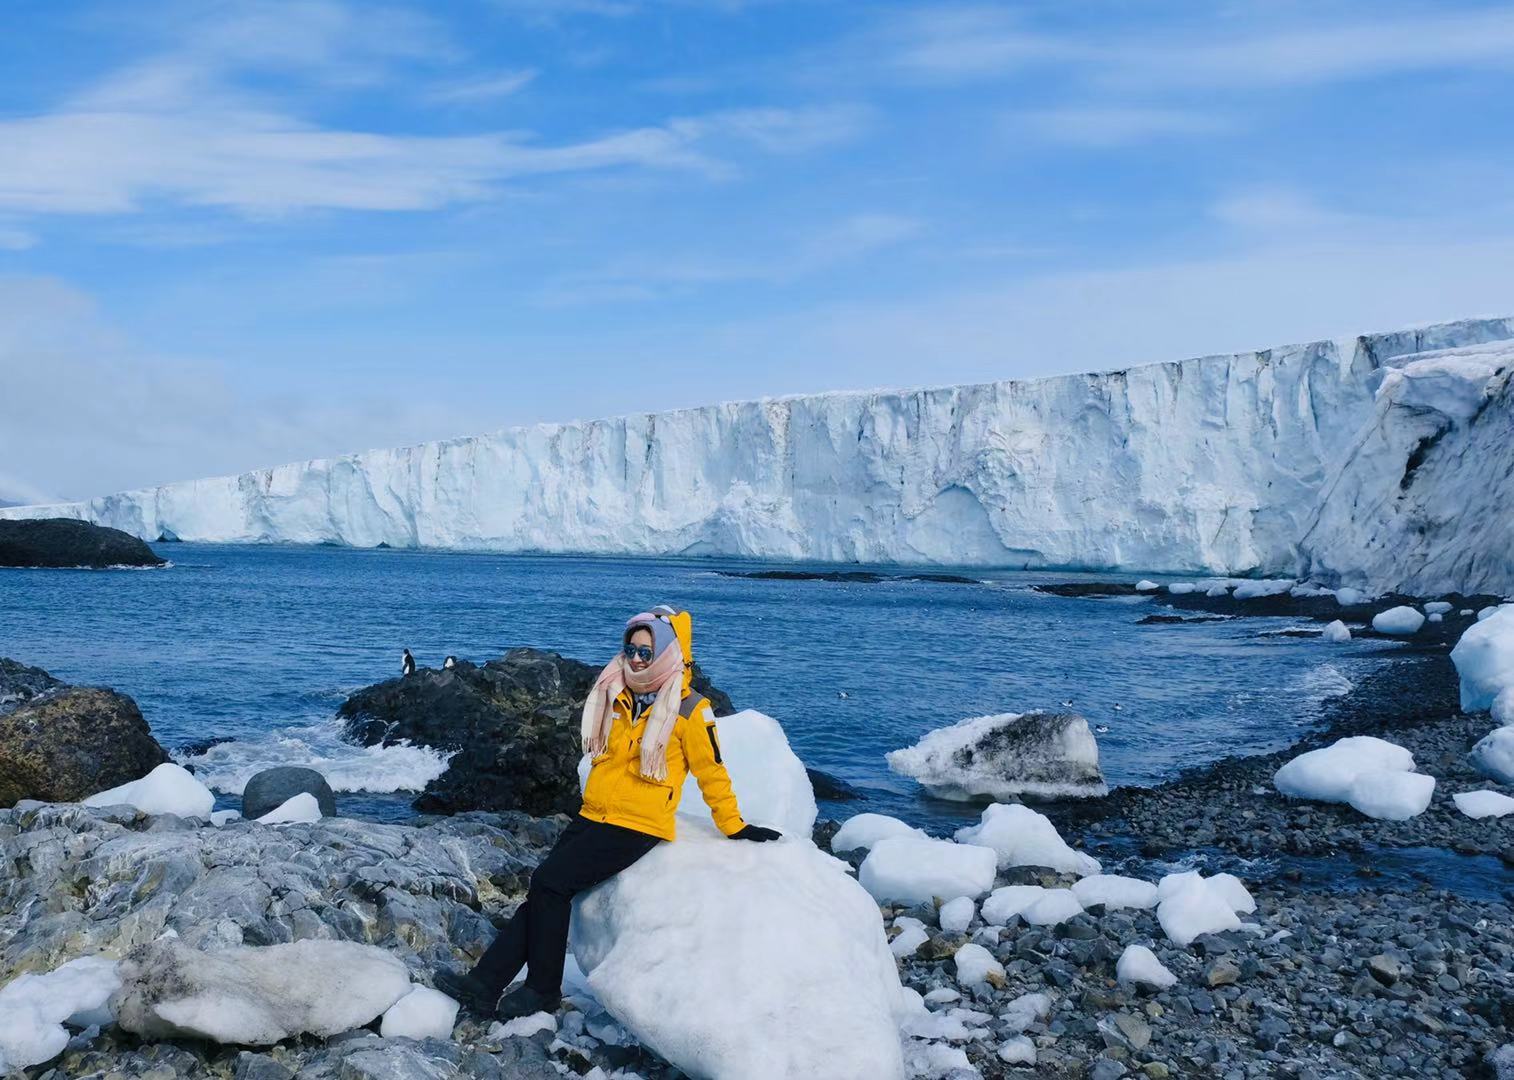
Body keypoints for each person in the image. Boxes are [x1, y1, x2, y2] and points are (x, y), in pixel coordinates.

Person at [436, 605, 779, 1019]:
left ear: (668, 653)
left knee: (550, 884)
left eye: (646, 653)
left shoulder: (690, 709)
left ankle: (542, 989)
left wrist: (734, 824)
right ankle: (484, 983)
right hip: (596, 812)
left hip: (636, 823)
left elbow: (713, 773)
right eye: (631, 649)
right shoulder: (616, 691)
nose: (635, 660)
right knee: (544, 892)